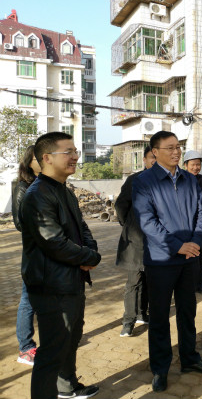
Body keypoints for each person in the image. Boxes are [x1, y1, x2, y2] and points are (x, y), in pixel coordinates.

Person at [132, 131, 202, 393]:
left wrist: (195, 243)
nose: (176, 152)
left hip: (189, 259)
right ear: (154, 152)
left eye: (178, 147)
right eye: (169, 148)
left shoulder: (189, 179)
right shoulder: (144, 181)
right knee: (159, 316)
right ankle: (160, 368)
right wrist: (178, 245)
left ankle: (189, 358)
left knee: (187, 312)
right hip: (161, 260)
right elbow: (147, 222)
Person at [19, 132, 101, 399]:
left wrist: (91, 251)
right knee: (52, 351)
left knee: (70, 339)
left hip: (71, 280)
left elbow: (82, 227)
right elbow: (53, 242)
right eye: (68, 152)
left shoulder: (63, 190)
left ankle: (67, 386)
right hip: (52, 285)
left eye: (75, 151)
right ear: (47, 158)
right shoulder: (37, 194)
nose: (75, 156)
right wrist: (89, 258)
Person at [115, 146, 156, 337]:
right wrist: (129, 225)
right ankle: (128, 322)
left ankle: (142, 313)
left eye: (157, 157)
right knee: (134, 281)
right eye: (151, 157)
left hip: (155, 241)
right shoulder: (134, 180)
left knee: (149, 279)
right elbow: (121, 205)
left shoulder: (164, 181)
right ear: (144, 160)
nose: (154, 161)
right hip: (135, 239)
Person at [12, 145, 41, 365]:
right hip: (34, 251)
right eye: (37, 158)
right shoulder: (23, 186)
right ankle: (25, 348)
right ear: (28, 162)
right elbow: (20, 223)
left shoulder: (50, 184)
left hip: (53, 252)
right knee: (28, 299)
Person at [182, 149, 202, 294]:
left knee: (201, 254)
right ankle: (186, 285)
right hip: (185, 224)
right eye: (193, 165)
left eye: (198, 164)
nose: (196, 167)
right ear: (185, 165)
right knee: (186, 254)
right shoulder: (180, 179)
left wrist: (196, 199)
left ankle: (200, 284)